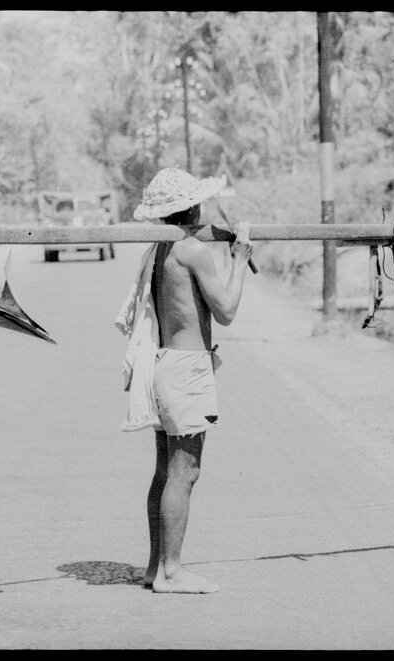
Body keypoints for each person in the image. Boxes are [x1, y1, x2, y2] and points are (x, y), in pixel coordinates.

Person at [126, 168, 254, 594]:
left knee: (166, 471)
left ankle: (155, 568)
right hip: (186, 369)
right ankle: (173, 572)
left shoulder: (161, 249)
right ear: (193, 207)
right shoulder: (193, 250)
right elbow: (226, 311)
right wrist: (238, 259)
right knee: (185, 472)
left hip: (166, 363)